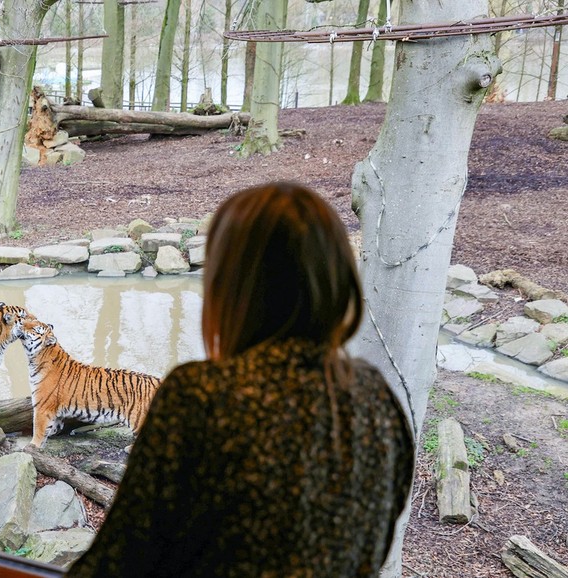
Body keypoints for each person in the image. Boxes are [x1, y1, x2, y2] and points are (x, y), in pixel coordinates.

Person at [67, 182, 415, 578]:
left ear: (230, 291)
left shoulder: (202, 396)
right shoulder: (377, 401)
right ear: (338, 280)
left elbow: (119, 561)